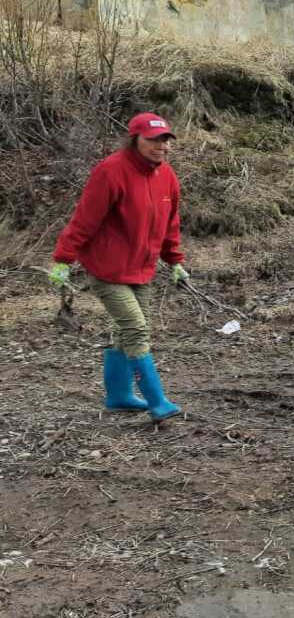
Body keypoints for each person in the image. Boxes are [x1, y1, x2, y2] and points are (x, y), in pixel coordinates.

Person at [49, 113, 188, 421]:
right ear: (135, 139)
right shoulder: (111, 171)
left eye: (165, 140)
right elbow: (85, 219)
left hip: (142, 268)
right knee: (135, 328)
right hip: (107, 270)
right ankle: (157, 401)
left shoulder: (167, 177)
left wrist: (175, 260)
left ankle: (119, 396)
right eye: (152, 140)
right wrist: (63, 260)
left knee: (130, 330)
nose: (160, 146)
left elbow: (170, 223)